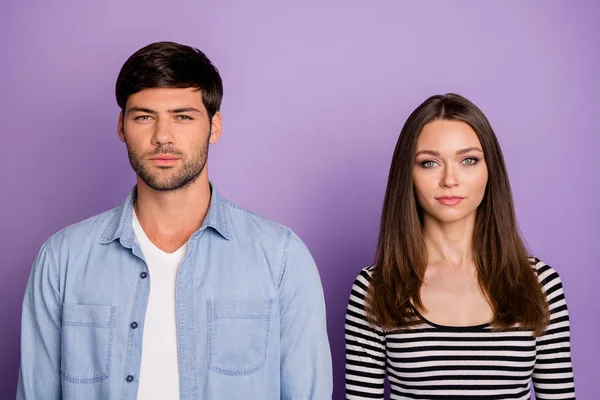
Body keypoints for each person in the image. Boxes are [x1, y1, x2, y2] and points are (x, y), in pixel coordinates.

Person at [18, 41, 332, 400]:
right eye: (144, 117)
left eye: (183, 116)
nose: (162, 136)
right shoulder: (61, 261)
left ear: (214, 126)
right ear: (121, 127)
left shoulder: (281, 258)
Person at [345, 93, 575, 399]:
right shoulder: (376, 287)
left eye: (468, 160)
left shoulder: (540, 283)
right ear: (408, 176)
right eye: (429, 163)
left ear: (490, 170)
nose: (450, 179)